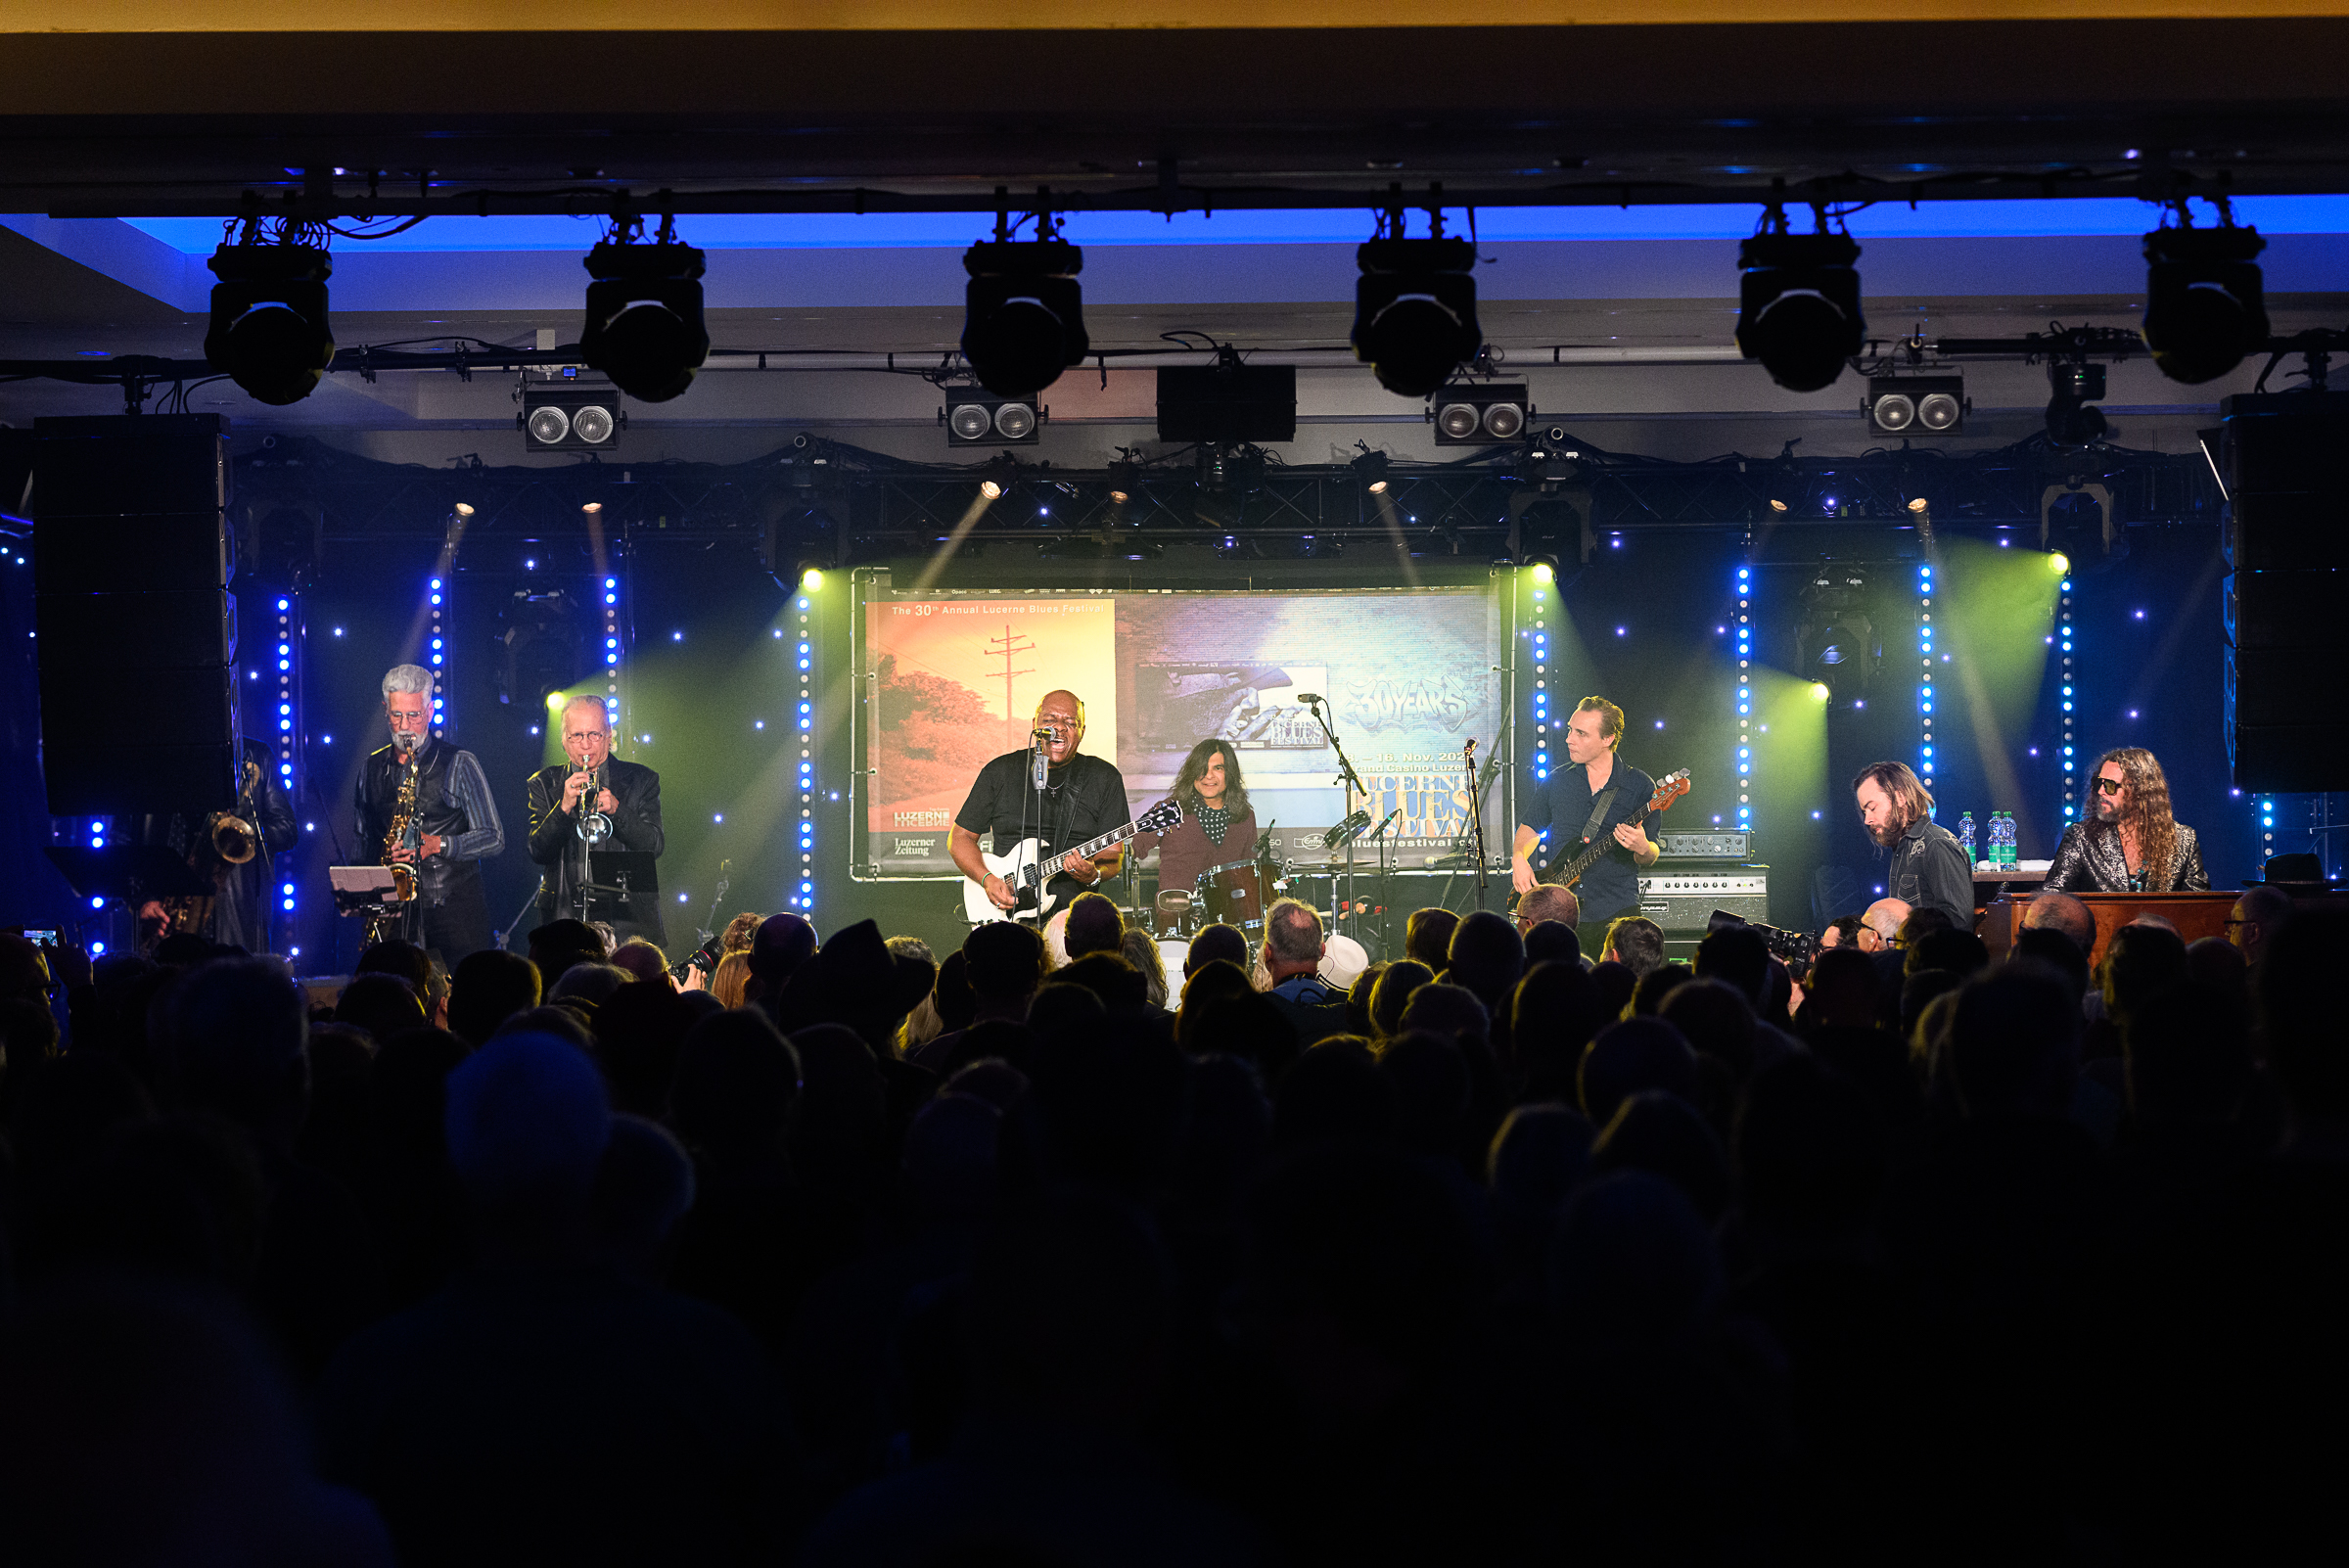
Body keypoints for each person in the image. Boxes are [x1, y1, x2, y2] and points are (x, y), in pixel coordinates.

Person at [356, 664, 505, 963]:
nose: (405, 726)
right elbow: (364, 842)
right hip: (394, 907)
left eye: (415, 715)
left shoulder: (460, 762)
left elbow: (493, 838)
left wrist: (437, 844)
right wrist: (363, 895)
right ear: (385, 710)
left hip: (454, 909)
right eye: (397, 715)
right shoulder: (371, 768)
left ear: (431, 710)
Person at [952, 689, 1131, 920]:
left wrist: (1094, 875)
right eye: (1049, 721)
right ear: (1035, 725)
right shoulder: (999, 772)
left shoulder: (1104, 778)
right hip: (1006, 912)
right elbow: (960, 838)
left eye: (1070, 722)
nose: (1059, 728)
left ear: (1082, 732)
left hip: (1074, 917)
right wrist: (987, 879)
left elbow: (1113, 857)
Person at [1511, 696, 1660, 957]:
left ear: (1607, 739)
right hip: (1561, 915)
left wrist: (1642, 847)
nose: (1569, 738)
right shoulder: (1558, 780)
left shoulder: (1639, 785)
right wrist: (1519, 857)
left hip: (1616, 912)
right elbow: (1530, 828)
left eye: (1580, 733)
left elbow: (1651, 854)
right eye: (1570, 729)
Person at [132, 736, 299, 954]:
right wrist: (145, 898)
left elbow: (287, 829)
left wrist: (241, 829)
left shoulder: (256, 755)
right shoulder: (156, 757)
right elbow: (128, 838)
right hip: (168, 916)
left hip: (232, 913)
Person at [525, 695, 668, 946]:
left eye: (594, 735)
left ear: (609, 735)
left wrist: (617, 810)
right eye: (577, 736)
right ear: (564, 740)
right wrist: (564, 807)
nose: (586, 745)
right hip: (565, 914)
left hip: (626, 919)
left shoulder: (642, 779)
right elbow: (538, 852)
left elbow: (654, 846)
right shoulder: (544, 783)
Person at [2045, 747, 2208, 895]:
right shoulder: (2081, 837)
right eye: (2097, 783)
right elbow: (2052, 896)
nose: (2101, 791)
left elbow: (2199, 907)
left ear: (2139, 792)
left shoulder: (2183, 840)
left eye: (2110, 785)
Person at [1130, 737, 1258, 906]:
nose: (1208, 776)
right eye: (1201, 769)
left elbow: (1249, 872)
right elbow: (1133, 848)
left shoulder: (1244, 816)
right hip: (1176, 915)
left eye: (1218, 768)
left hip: (1228, 916)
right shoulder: (1168, 810)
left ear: (1230, 773)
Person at [1852, 761, 1970, 931]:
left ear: (1900, 798)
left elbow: (1958, 922)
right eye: (1865, 812)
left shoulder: (1936, 843)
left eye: (1872, 808)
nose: (1867, 820)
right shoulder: (1902, 849)